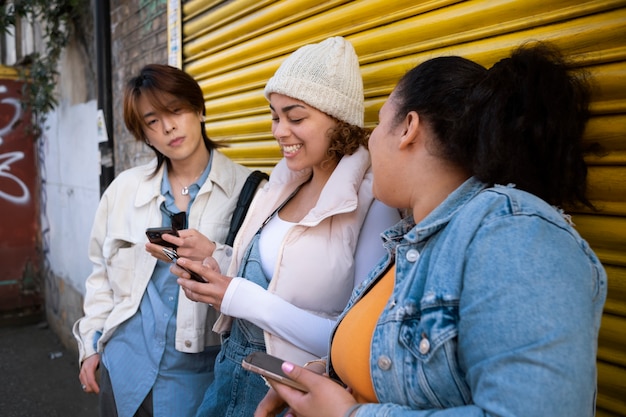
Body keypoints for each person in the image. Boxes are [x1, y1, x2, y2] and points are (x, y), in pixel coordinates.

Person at [254, 42, 608, 417]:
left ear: (408, 128)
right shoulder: (412, 240)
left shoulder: (515, 233)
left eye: (379, 120)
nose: (370, 139)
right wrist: (327, 385)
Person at [171, 36, 401, 416]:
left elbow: (355, 341)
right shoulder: (283, 183)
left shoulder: (373, 204)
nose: (279, 131)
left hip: (284, 393)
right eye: (275, 117)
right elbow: (266, 271)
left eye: (295, 117)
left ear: (339, 119)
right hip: (229, 372)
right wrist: (213, 259)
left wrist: (239, 297)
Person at [72, 64, 253, 417]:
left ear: (199, 110)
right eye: (152, 121)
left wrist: (213, 254)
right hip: (123, 368)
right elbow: (100, 273)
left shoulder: (249, 192)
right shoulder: (124, 189)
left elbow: (260, 286)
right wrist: (91, 342)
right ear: (145, 135)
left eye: (176, 110)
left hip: (198, 380)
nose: (168, 126)